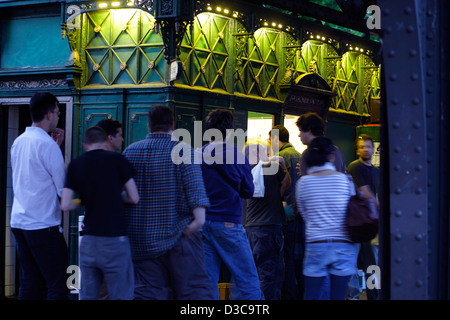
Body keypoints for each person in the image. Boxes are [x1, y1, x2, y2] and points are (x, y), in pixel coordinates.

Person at [123, 104, 214, 300]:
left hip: (141, 242)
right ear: (172, 125)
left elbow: (122, 195)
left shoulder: (130, 152)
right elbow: (195, 191)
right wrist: (198, 222)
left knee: (148, 294)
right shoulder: (183, 151)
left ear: (148, 126)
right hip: (179, 236)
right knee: (193, 294)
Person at [61, 126, 139, 300]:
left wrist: (83, 199)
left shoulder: (76, 164)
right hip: (115, 239)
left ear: (85, 145)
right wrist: (114, 195)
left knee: (88, 295)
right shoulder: (117, 160)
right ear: (105, 142)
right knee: (121, 294)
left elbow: (65, 204)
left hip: (89, 241)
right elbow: (134, 197)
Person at [198, 109, 263, 300]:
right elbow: (248, 191)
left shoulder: (195, 155)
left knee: (207, 281)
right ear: (230, 131)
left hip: (202, 225)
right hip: (229, 224)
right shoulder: (237, 156)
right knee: (247, 280)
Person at [10, 91, 69, 300]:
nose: (58, 116)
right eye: (58, 112)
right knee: (58, 284)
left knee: (30, 281)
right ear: (49, 115)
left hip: (19, 222)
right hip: (43, 225)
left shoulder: (18, 141)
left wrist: (55, 148)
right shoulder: (47, 146)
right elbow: (63, 189)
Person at [295, 136, 357, 300]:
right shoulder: (346, 180)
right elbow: (351, 211)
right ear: (331, 156)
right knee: (338, 296)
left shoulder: (303, 183)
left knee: (312, 295)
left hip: (316, 244)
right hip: (343, 245)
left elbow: (304, 213)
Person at [243, 139, 290, 300]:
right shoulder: (270, 168)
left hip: (249, 229)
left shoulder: (244, 170)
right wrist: (283, 166)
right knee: (271, 275)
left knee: (252, 274)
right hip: (269, 230)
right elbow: (286, 182)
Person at [269, 125, 301, 300]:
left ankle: (285, 294)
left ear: (275, 139)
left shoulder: (281, 156)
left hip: (283, 212)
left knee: (282, 258)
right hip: (296, 211)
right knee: (292, 256)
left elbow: (280, 185)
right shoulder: (298, 154)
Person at [347, 134, 380, 300]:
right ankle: (353, 296)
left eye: (367, 146)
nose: (365, 149)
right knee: (353, 263)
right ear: (357, 150)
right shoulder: (355, 167)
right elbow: (365, 192)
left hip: (370, 223)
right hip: (357, 223)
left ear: (373, 149)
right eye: (361, 146)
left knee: (372, 264)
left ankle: (374, 294)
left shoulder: (376, 171)